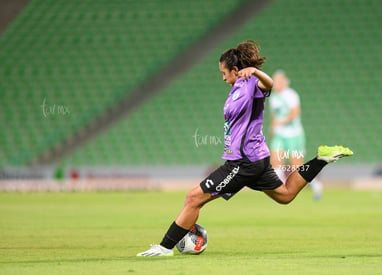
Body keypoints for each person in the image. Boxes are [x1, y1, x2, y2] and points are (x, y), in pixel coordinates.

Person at [137, 41, 353, 257]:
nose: (222, 78)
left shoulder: (250, 83)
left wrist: (256, 72)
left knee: (194, 198)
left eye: (224, 73)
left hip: (244, 161)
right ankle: (321, 159)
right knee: (285, 195)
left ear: (235, 70)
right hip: (253, 159)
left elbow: (268, 85)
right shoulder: (235, 89)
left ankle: (165, 247)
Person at [269, 70, 323, 201]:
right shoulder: (273, 97)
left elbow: (295, 113)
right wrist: (272, 128)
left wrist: (280, 122)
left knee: (296, 167)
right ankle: (279, 192)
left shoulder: (291, 95)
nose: (274, 83)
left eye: (277, 81)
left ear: (283, 81)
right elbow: (274, 115)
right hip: (279, 135)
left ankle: (316, 185)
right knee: (276, 162)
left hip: (294, 135)